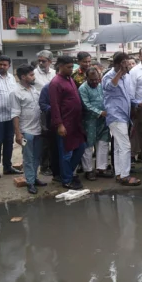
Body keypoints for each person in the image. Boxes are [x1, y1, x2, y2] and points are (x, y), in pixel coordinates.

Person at [103, 52, 141, 186]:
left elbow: (129, 96)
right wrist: (119, 73)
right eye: (124, 63)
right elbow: (109, 86)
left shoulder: (127, 77)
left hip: (125, 115)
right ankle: (125, 175)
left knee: (119, 146)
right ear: (118, 64)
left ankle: (119, 173)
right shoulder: (108, 76)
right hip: (115, 115)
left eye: (128, 63)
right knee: (125, 146)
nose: (127, 66)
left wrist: (138, 103)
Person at [49, 56, 85, 190]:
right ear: (60, 66)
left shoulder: (69, 79)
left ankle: (68, 173)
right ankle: (66, 180)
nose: (71, 69)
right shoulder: (55, 83)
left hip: (76, 123)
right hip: (65, 124)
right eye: (69, 67)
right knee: (66, 153)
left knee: (81, 147)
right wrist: (59, 124)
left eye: (72, 67)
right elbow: (55, 105)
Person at [10, 64, 46, 195]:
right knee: (28, 157)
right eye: (31, 75)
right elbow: (15, 114)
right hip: (26, 132)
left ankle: (34, 178)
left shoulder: (34, 89)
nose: (33, 77)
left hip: (38, 130)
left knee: (37, 157)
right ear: (23, 77)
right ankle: (30, 182)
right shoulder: (15, 93)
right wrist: (18, 134)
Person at [79, 67, 113, 180]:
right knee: (88, 146)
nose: (95, 82)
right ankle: (88, 170)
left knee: (103, 143)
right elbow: (86, 105)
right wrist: (100, 112)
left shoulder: (100, 86)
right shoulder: (83, 88)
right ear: (86, 78)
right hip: (90, 121)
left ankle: (101, 168)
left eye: (97, 79)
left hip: (103, 120)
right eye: (92, 80)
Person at [34, 50, 56, 176]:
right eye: (39, 60)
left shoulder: (54, 73)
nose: (41, 63)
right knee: (44, 140)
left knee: (53, 138)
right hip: (41, 110)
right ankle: (44, 166)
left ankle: (53, 164)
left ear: (50, 62)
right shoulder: (34, 74)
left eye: (44, 61)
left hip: (54, 109)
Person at [39, 79, 62, 183]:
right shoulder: (47, 88)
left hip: (67, 120)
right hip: (52, 122)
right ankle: (55, 172)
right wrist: (54, 109)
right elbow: (42, 103)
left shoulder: (69, 84)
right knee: (53, 148)